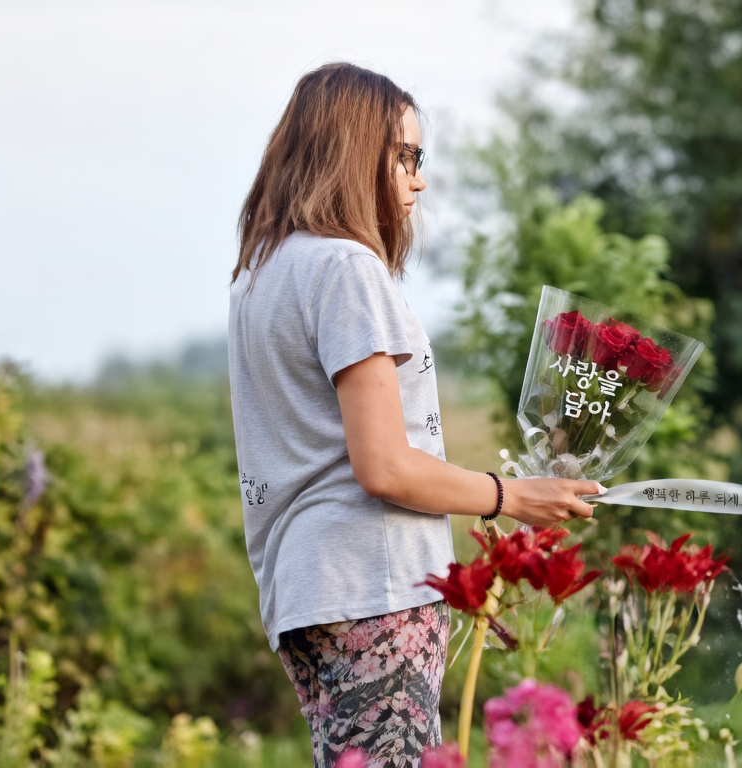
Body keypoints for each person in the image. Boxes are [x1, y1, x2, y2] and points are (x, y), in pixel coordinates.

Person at [227, 62, 601, 767]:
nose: (417, 179)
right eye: (405, 156)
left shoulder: (261, 273)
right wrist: (511, 496)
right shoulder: (345, 269)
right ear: (353, 152)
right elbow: (385, 466)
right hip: (373, 582)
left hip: (305, 588)